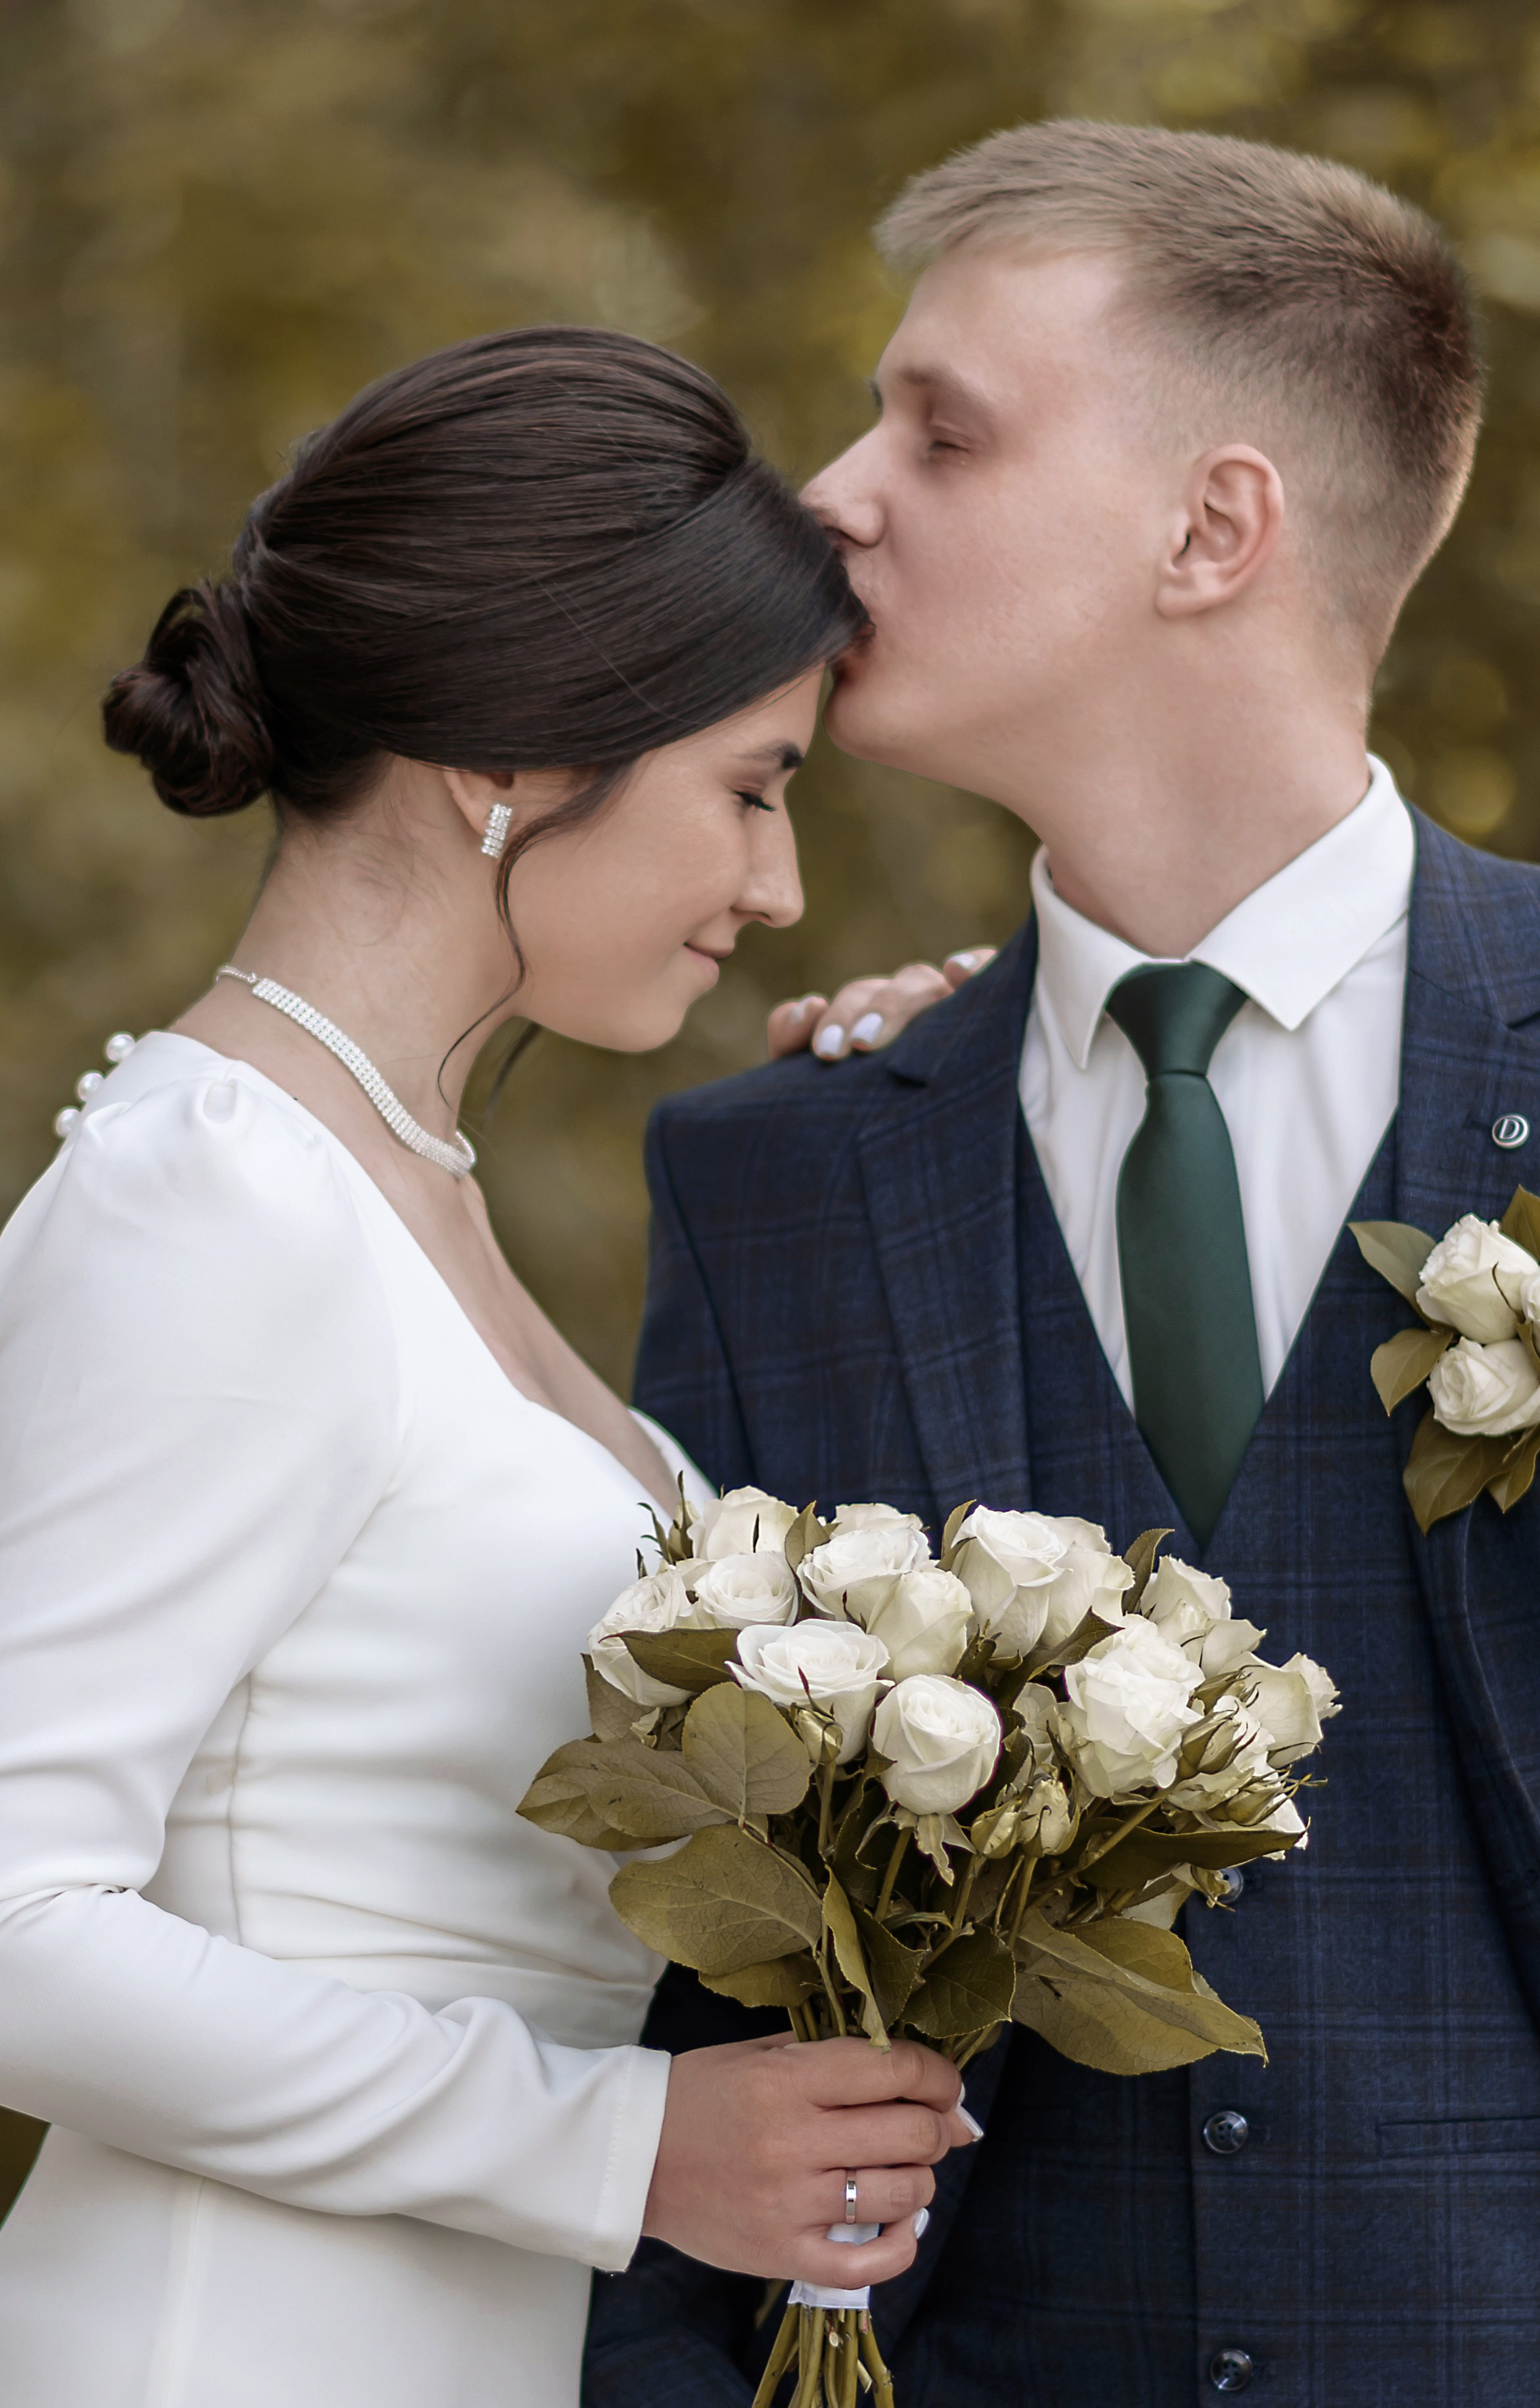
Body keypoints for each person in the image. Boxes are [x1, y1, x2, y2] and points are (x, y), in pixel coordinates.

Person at [585, 122, 1540, 2405]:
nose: (834, 495)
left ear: (1212, 526)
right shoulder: (782, 1181)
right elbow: (696, 1944)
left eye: (939, 430)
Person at [0, 324, 984, 2408]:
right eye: (748, 789)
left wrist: (999, 1087)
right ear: (519, 758)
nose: (774, 886)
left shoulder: (393, 1183)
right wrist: (612, 2145)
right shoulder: (218, 1201)